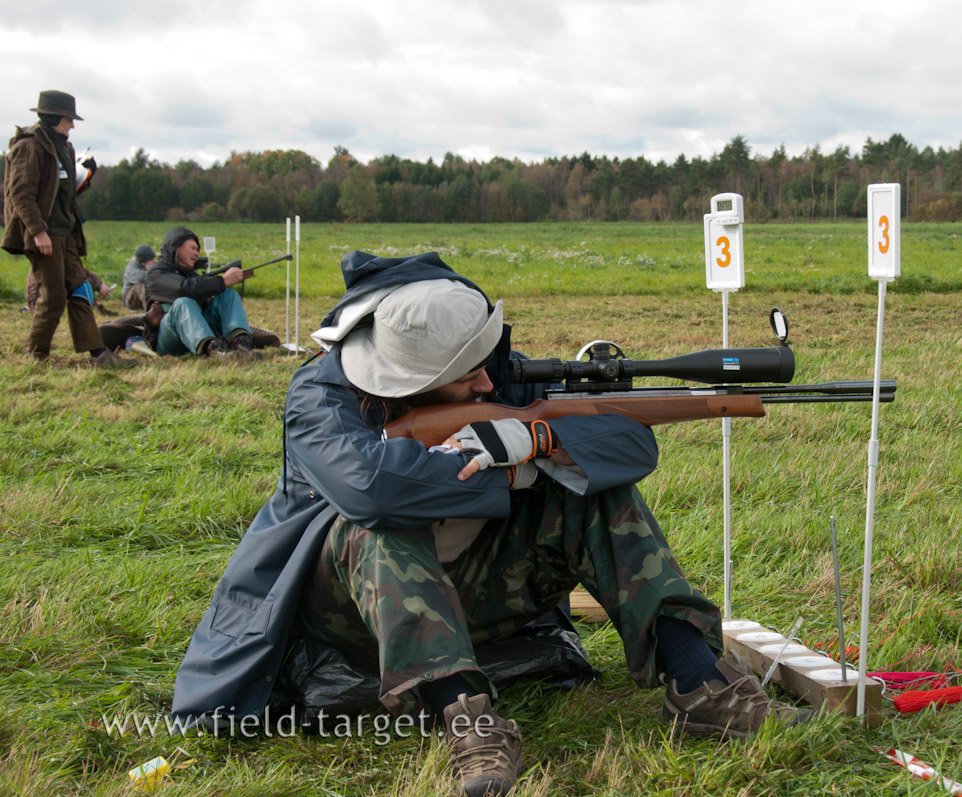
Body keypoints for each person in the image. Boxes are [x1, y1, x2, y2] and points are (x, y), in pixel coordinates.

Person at [171, 251, 809, 797]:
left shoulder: (484, 365)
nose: (487, 376)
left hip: (478, 593)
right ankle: (466, 722)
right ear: (409, 380)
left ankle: (699, 680)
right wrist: (513, 474)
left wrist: (537, 439)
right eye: (466, 376)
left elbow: (631, 450)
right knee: (380, 528)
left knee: (594, 492)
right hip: (352, 615)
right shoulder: (319, 396)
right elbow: (372, 490)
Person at [2, 90, 134, 367]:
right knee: (53, 297)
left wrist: (84, 181)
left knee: (81, 289)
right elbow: (20, 193)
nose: (72, 125)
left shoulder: (65, 147)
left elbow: (60, 191)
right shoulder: (29, 145)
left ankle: (99, 355)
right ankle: (35, 356)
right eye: (68, 119)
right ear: (52, 118)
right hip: (44, 234)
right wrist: (38, 232)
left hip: (66, 233)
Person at [145, 226, 260, 360]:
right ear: (176, 247)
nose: (197, 253)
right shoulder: (156, 273)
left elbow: (198, 289)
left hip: (194, 335)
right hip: (169, 340)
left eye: (197, 250)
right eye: (192, 248)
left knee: (229, 294)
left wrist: (220, 286)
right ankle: (213, 349)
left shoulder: (190, 274)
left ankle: (240, 344)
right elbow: (183, 289)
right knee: (183, 302)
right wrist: (223, 281)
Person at [122, 244, 155, 310]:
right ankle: (150, 311)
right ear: (143, 262)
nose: (154, 261)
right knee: (141, 287)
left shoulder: (153, 264)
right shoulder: (131, 268)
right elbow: (143, 278)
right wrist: (152, 269)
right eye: (151, 259)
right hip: (130, 300)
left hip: (144, 298)